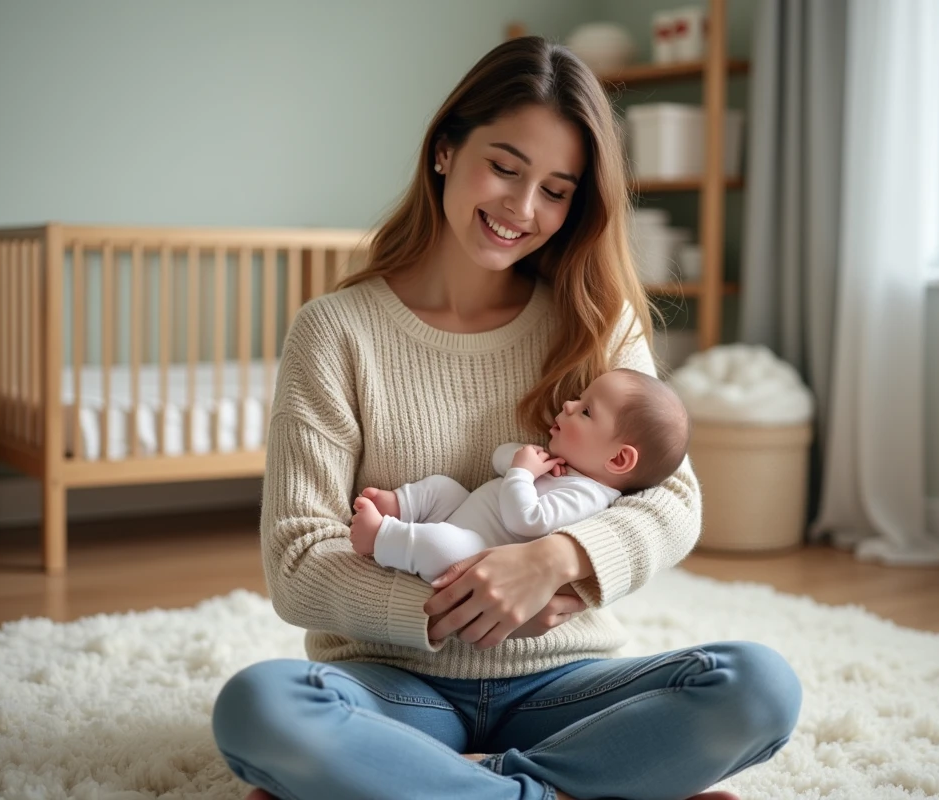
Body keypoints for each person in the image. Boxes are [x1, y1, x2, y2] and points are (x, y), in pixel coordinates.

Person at [211, 35, 801, 800]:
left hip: (563, 686)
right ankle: (568, 791)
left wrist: (553, 563)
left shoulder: (596, 320)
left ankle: (434, 790)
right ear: (445, 151)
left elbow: (674, 501)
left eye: (556, 190)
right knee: (261, 709)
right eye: (506, 167)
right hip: (395, 688)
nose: (523, 210)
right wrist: (470, 599)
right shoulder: (334, 332)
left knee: (759, 687)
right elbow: (297, 563)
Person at [348, 368, 692, 586]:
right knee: (444, 487)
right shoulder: (564, 463)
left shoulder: (588, 497)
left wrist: (522, 473)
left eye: (586, 411)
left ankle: (381, 538)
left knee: (443, 544)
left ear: (618, 458)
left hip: (477, 552)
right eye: (580, 398)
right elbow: (501, 460)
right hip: (466, 513)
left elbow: (527, 520)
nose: (570, 404)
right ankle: (400, 505)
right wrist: (520, 461)